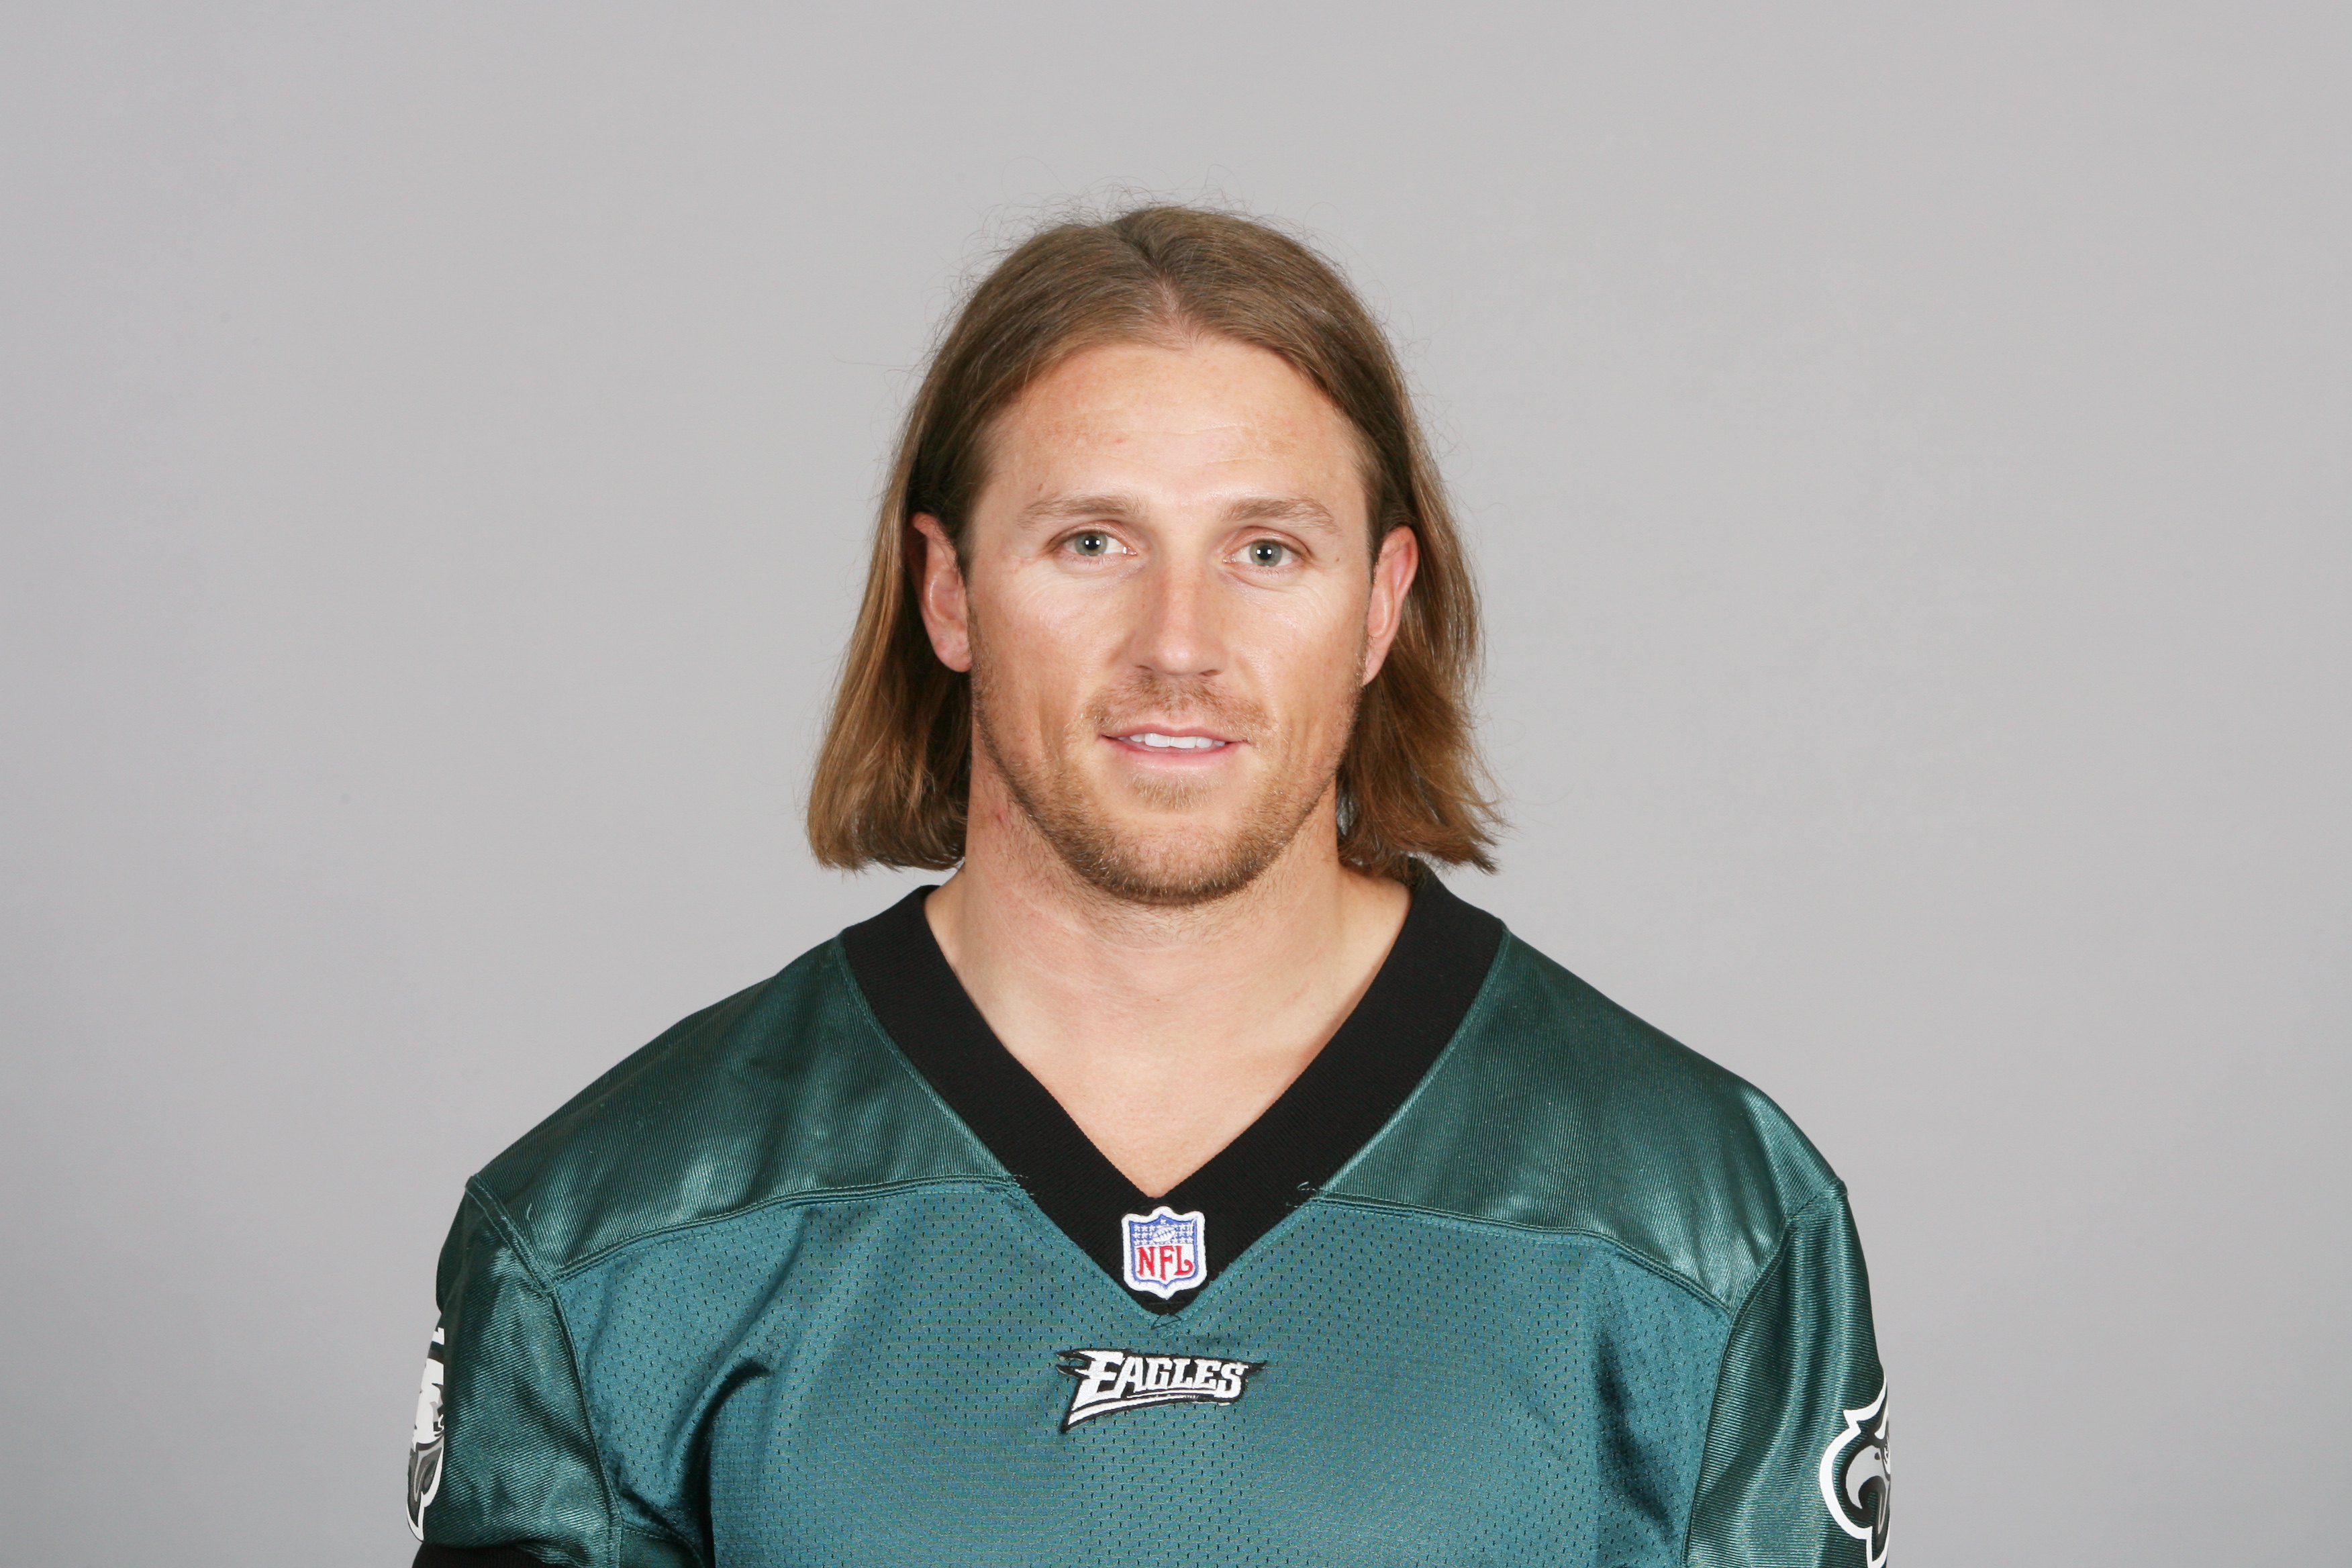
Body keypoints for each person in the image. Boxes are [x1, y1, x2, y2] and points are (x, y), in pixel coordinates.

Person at [405, 205, 1890, 1568]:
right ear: (949, 591)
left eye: (1265, 548)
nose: (1178, 642)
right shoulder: (616, 1238)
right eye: (1093, 541)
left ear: (1379, 606)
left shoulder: (1709, 1225)